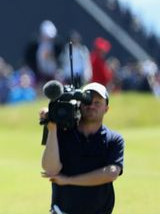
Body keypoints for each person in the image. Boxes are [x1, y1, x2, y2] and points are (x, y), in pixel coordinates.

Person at [40, 82, 124, 214]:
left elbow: (111, 172)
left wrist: (69, 180)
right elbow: (50, 168)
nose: (91, 105)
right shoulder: (63, 132)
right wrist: (52, 130)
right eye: (87, 101)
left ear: (106, 108)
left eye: (97, 102)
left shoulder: (113, 139)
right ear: (79, 105)